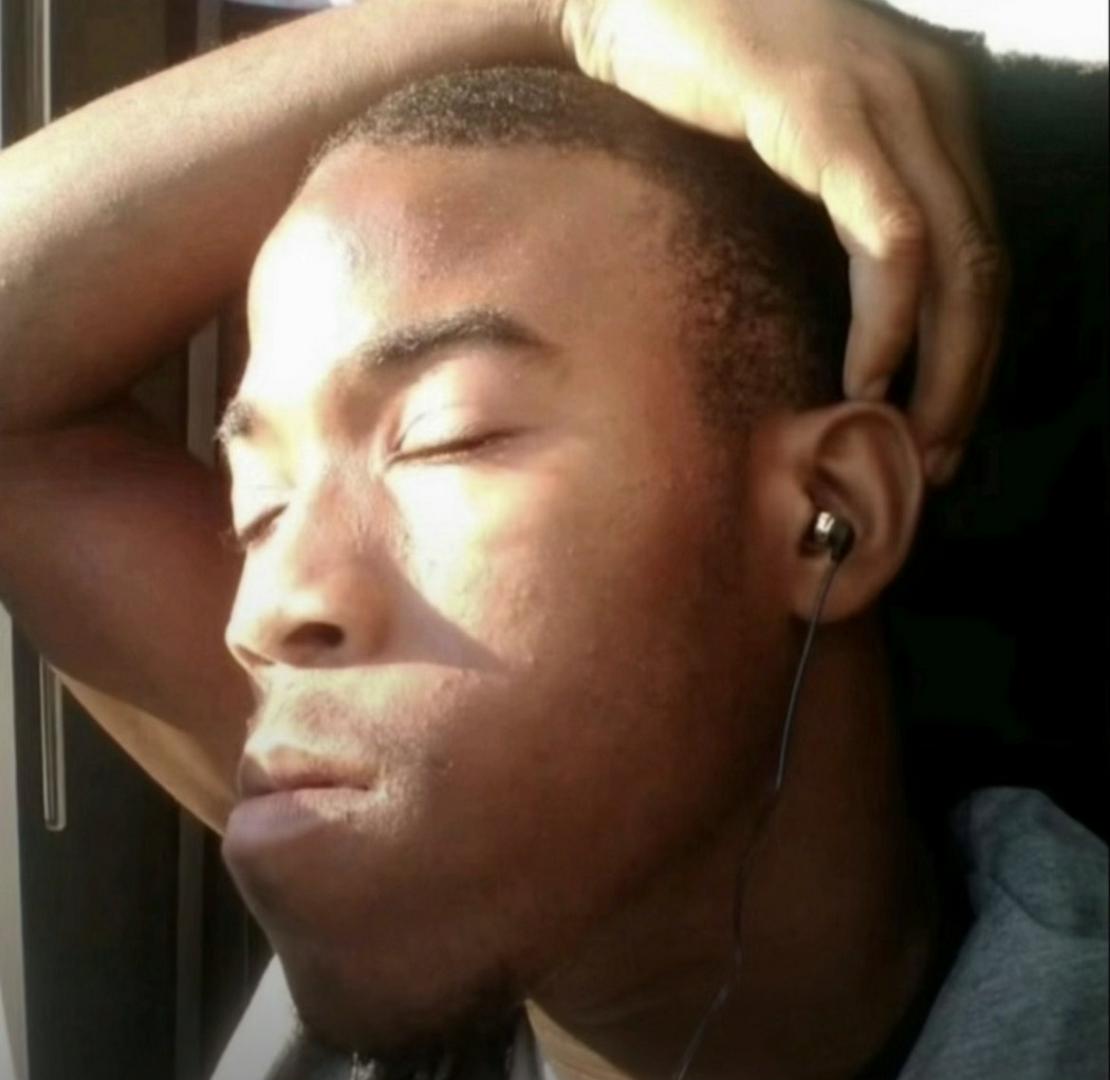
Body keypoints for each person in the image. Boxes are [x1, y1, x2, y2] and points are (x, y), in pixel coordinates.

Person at [1, 2, 1102, 1079]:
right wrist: (560, 12)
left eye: (445, 437)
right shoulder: (393, 832)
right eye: (259, 508)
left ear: (832, 516)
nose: (263, 609)